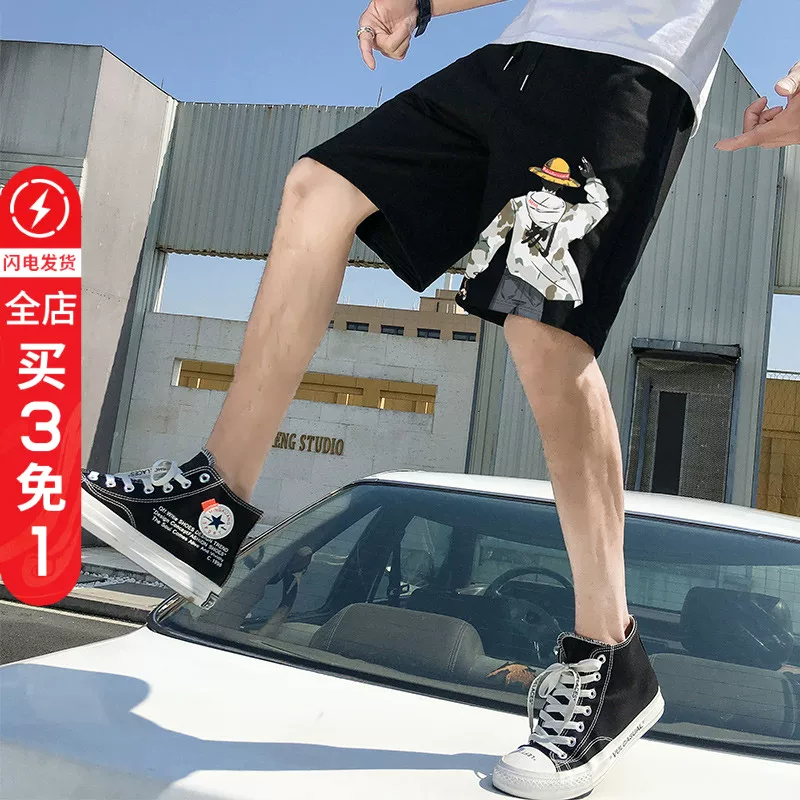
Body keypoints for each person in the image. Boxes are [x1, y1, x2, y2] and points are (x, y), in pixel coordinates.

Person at [80, 2, 795, 798]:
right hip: (517, 59)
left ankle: (610, 658)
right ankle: (211, 504)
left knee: (542, 326)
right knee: (319, 187)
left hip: (625, 76)